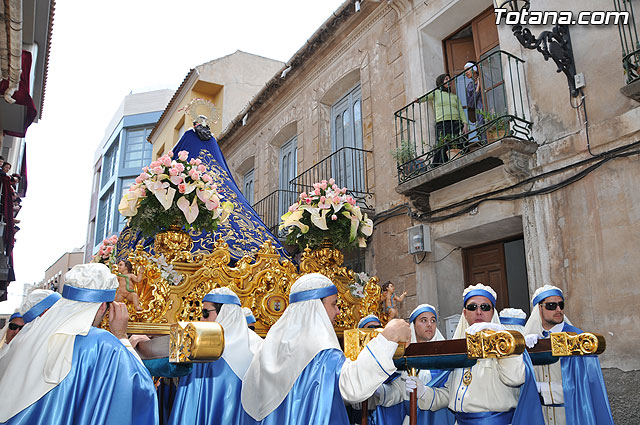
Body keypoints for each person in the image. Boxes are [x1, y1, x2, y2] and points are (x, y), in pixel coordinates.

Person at [241, 273, 410, 425]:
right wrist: (388, 337)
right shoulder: (321, 351)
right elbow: (353, 387)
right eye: (334, 304)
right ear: (316, 308)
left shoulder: (270, 346)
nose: (338, 311)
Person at [0, 263, 158, 424]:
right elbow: (141, 388)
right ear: (103, 306)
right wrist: (122, 336)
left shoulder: (30, 335)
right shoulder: (103, 344)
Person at [406, 284, 544, 425]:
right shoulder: (457, 348)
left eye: (485, 307)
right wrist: (423, 392)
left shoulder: (505, 345)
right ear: (465, 313)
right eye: (472, 307)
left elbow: (515, 379)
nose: (479, 312)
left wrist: (500, 337)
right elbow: (449, 394)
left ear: (492, 312)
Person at [169, 287, 262, 425]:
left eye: (206, 313)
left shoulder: (258, 346)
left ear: (226, 312)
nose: (201, 318)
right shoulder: (202, 345)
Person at [523, 285, 614, 425]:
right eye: (551, 306)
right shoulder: (532, 339)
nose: (558, 310)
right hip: (540, 417)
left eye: (561, 304)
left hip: (571, 415)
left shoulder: (576, 339)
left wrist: (540, 388)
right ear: (538, 309)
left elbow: (581, 387)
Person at [418, 73, 468, 165]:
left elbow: (461, 110)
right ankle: (439, 163)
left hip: (456, 122)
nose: (449, 81)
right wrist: (417, 100)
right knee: (442, 143)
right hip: (442, 122)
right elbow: (423, 98)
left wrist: (465, 124)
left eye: (449, 79)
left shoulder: (454, 96)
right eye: (446, 79)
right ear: (441, 82)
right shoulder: (436, 93)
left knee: (458, 141)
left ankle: (458, 157)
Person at [464, 61, 486, 146]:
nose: (466, 72)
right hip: (479, 114)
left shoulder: (485, 79)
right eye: (465, 71)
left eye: (468, 70)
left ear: (474, 69)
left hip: (489, 110)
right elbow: (471, 104)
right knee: (482, 134)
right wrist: (477, 89)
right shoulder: (470, 86)